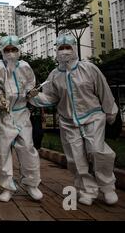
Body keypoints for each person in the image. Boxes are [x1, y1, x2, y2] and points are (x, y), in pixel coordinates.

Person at [30, 35, 119, 206]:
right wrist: (33, 97)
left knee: (97, 151)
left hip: (93, 116)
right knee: (75, 158)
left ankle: (108, 187)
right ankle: (87, 190)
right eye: (61, 48)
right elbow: (50, 97)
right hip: (68, 121)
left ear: (74, 49)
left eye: (67, 47)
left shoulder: (90, 69)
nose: (64, 52)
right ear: (56, 51)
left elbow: (104, 91)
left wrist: (110, 113)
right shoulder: (54, 75)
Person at [0, 35, 43, 202]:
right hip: (4, 114)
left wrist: (30, 93)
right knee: (4, 151)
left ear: (19, 51)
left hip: (22, 113)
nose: (11, 53)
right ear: (2, 51)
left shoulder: (25, 66)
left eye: (14, 50)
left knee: (27, 147)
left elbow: (30, 84)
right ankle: (7, 187)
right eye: (7, 50)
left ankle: (32, 184)